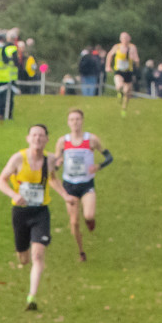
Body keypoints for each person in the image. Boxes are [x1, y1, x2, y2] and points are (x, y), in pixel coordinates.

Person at [0, 122, 54, 309]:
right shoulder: (18, 159)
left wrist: (67, 196)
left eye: (41, 135)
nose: (37, 138)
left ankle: (32, 297)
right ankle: (23, 257)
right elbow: (0, 181)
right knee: (24, 257)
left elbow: (54, 180)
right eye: (34, 135)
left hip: (40, 212)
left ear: (46, 139)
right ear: (28, 138)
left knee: (38, 255)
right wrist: (14, 194)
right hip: (20, 213)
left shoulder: (49, 160)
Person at [56, 106, 111, 262]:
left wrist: (98, 166)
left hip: (86, 184)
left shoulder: (91, 139)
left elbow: (109, 157)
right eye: (72, 119)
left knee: (88, 215)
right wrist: (57, 163)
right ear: (68, 122)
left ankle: (90, 221)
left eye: (78, 119)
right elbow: (56, 162)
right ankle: (81, 252)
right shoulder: (62, 141)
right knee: (74, 222)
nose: (75, 122)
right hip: (69, 186)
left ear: (82, 121)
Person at [107, 33, 140, 113]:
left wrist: (136, 61)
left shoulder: (132, 47)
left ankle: (124, 107)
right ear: (120, 39)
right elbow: (109, 55)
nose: (124, 40)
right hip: (119, 70)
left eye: (126, 38)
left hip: (128, 71)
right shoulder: (117, 47)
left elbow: (136, 58)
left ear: (129, 38)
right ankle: (119, 93)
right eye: (123, 38)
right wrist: (108, 66)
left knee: (127, 91)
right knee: (119, 85)